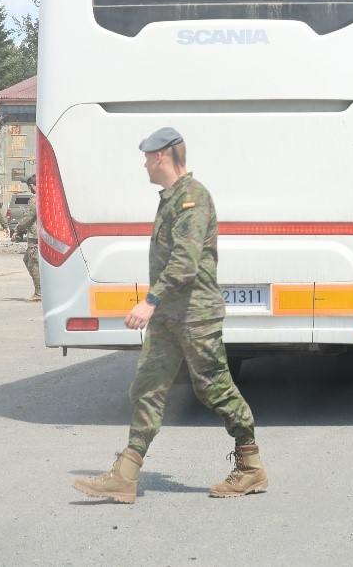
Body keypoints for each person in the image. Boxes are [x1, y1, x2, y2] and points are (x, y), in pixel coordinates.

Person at [73, 128, 267, 503]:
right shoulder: (171, 199)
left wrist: (149, 301)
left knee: (214, 388)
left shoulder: (193, 198)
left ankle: (251, 466)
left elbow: (185, 263)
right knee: (147, 387)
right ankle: (124, 476)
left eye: (147, 157)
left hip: (196, 315)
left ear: (161, 156)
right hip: (169, 319)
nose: (145, 164)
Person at [15, 176, 39, 302]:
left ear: (32, 186)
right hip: (38, 234)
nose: (29, 189)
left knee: (33, 262)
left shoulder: (36, 197)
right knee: (27, 259)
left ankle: (39, 293)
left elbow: (29, 216)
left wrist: (18, 229)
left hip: (35, 236)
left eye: (29, 187)